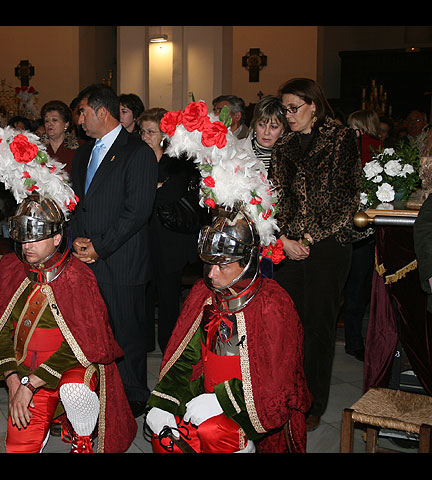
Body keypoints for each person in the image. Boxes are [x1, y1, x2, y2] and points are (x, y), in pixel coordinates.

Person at [145, 206, 311, 453]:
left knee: (215, 433)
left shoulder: (273, 303)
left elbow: (277, 383)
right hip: (201, 396)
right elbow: (186, 358)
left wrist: (222, 401)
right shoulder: (203, 293)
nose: (211, 275)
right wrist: (165, 402)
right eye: (209, 265)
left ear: (248, 262)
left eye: (222, 266)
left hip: (249, 407)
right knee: (165, 440)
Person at [0, 194, 137, 453]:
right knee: (18, 448)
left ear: (56, 238)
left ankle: (82, 435)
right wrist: (12, 380)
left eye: (36, 237)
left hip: (68, 368)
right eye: (23, 237)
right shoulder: (9, 267)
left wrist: (31, 383)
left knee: (75, 391)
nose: (27, 245)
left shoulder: (78, 276)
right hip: (22, 372)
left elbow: (88, 345)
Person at [268, 78, 363, 431]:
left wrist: (310, 234)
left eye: (294, 108)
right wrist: (284, 238)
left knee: (319, 329)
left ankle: (313, 405)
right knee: (288, 325)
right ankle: (287, 396)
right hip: (291, 245)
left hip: (330, 245)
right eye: (285, 109)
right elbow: (274, 198)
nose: (288, 116)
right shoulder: (284, 145)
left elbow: (348, 197)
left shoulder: (341, 138)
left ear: (314, 106)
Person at [69, 84, 158, 417]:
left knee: (126, 331)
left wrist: (100, 246)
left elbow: (137, 211)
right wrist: (78, 240)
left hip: (121, 259)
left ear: (100, 112)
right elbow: (79, 203)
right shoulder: (83, 152)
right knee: (92, 327)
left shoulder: (137, 152)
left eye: (82, 112)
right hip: (85, 257)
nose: (79, 120)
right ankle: (99, 388)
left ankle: (134, 395)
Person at [137, 107, 199, 353]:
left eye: (151, 132)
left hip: (171, 239)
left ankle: (169, 345)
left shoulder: (177, 161)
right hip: (144, 237)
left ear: (164, 135)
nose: (145, 137)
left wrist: (152, 189)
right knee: (143, 292)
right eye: (142, 132)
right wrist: (156, 187)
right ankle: (144, 343)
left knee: (168, 297)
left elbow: (169, 195)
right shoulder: (137, 159)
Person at [340, 110, 384, 362]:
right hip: (357, 228)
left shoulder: (371, 149)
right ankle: (354, 340)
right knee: (356, 286)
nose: (351, 133)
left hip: (362, 227)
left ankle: (354, 339)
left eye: (355, 128)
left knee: (355, 286)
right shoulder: (360, 147)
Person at [240, 95, 288, 173]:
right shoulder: (238, 150)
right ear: (255, 125)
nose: (266, 132)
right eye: (262, 125)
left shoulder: (291, 157)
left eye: (274, 127)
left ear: (282, 130)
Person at [39, 100, 81, 175]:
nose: (49, 124)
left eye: (54, 120)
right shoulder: (37, 147)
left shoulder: (80, 146)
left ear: (66, 124)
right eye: (46, 121)